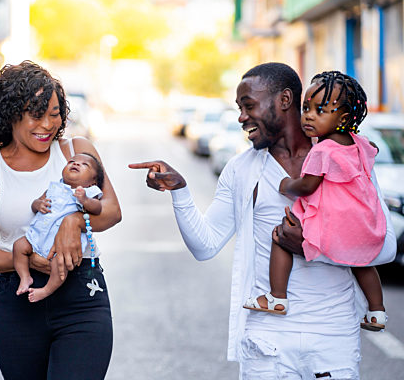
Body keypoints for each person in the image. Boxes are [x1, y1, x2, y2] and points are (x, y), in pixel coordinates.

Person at [129, 62, 396, 379]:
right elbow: (205, 246)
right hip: (266, 339)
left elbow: (386, 247)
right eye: (240, 108)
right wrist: (181, 192)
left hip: (332, 334)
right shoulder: (241, 170)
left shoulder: (346, 161)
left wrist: (311, 246)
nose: (241, 117)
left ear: (284, 100)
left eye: (249, 105)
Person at [0, 61, 121, 380]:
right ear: (10, 113)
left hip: (82, 299)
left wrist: (74, 219)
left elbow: (112, 210)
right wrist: (28, 262)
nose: (47, 124)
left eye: (55, 113)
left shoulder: (76, 152)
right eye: (36, 113)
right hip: (18, 303)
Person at [243, 71, 387, 332]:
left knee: (280, 236)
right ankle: (377, 311)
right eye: (306, 108)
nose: (309, 115)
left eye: (320, 110)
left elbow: (308, 186)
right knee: (362, 263)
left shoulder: (323, 150)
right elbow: (372, 152)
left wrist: (286, 185)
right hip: (362, 219)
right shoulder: (359, 144)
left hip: (332, 219)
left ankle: (277, 297)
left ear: (342, 118)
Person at [14, 152, 105, 302]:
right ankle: (25, 277)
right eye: (72, 161)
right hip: (39, 236)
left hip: (61, 246)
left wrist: (85, 200)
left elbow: (98, 209)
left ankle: (46, 290)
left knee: (60, 266)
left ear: (93, 181)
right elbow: (35, 203)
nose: (76, 164)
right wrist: (39, 204)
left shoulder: (89, 192)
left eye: (84, 164)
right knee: (19, 246)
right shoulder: (55, 187)